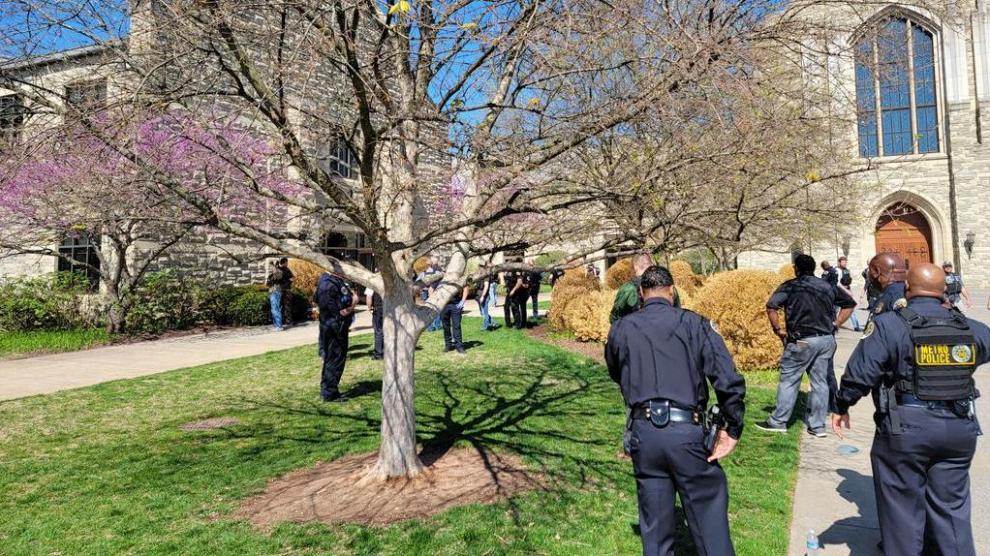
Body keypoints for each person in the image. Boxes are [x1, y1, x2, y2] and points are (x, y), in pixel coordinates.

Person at [832, 263, 990, 556]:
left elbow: (861, 372)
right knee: (952, 511)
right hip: (958, 429)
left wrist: (842, 404)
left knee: (902, 513)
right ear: (945, 291)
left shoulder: (890, 325)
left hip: (907, 428)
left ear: (907, 289)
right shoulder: (969, 327)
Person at [605, 265, 746, 556]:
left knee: (655, 530)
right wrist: (732, 427)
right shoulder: (694, 324)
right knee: (708, 517)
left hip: (644, 433)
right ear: (672, 291)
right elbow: (727, 378)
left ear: (642, 295)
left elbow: (616, 370)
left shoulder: (621, 328)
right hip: (686, 432)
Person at [757, 254, 856, 437]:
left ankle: (778, 421)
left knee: (789, 380)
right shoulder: (827, 286)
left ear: (796, 269)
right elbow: (850, 304)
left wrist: (778, 330)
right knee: (820, 382)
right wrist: (837, 323)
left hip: (801, 340)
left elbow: (772, 307)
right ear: (814, 268)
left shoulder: (791, 286)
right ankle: (817, 426)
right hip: (826, 340)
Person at [315, 272, 356, 402]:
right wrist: (353, 303)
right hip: (334, 328)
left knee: (333, 358)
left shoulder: (330, 281)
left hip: (333, 326)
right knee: (334, 358)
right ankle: (329, 392)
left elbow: (315, 300)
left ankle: (331, 390)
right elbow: (339, 312)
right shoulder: (329, 284)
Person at [610, 253, 654, 323]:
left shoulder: (628, 288)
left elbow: (615, 318)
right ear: (651, 265)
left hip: (635, 331)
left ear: (635, 267)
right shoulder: (667, 286)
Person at [867, 252, 908, 320]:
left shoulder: (891, 296)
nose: (869, 274)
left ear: (877, 271)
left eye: (870, 271)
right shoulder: (905, 290)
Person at [441, 285, 469, 353]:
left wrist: (462, 301)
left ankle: (459, 346)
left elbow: (466, 288)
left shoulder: (458, 276)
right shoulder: (442, 277)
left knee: (457, 326)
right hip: (444, 305)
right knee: (446, 327)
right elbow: (432, 288)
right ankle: (448, 345)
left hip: (456, 305)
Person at [836, 256, 861, 331]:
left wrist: (850, 291)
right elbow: (837, 283)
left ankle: (856, 326)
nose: (845, 263)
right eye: (843, 262)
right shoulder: (837, 270)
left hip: (846, 291)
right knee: (834, 310)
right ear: (839, 262)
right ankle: (833, 325)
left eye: (845, 261)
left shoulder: (847, 270)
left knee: (850, 308)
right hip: (838, 292)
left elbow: (848, 282)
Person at [265, 259, 286, 331]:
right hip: (272, 292)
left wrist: (273, 266)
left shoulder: (279, 272)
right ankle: (276, 325)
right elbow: (268, 284)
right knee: (273, 309)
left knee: (276, 309)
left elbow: (278, 276)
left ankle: (279, 326)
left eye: (273, 264)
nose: (271, 266)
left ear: (276, 265)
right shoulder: (272, 274)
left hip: (276, 292)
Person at [365, 286, 384, 360]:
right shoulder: (389, 280)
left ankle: (379, 354)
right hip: (389, 308)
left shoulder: (372, 282)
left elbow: (369, 296)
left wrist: (369, 308)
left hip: (378, 308)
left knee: (378, 331)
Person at [474, 267, 495, 331]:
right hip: (478, 296)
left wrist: (483, 296)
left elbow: (486, 286)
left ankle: (485, 327)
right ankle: (494, 322)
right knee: (482, 312)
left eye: (480, 268)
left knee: (484, 312)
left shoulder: (486, 277)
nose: (479, 270)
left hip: (484, 297)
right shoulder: (479, 276)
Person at [278, 258, 295, 326]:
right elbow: (292, 277)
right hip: (286, 289)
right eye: (287, 262)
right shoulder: (286, 269)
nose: (287, 263)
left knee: (280, 305)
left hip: (279, 289)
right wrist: (290, 281)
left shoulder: (278, 269)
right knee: (287, 305)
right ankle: (288, 321)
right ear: (284, 262)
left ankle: (280, 321)